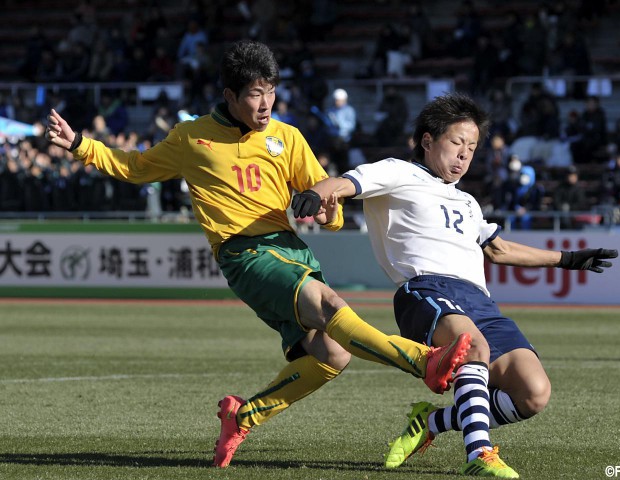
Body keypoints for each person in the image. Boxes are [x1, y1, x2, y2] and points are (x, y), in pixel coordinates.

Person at [45, 40, 472, 469]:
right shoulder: (191, 137)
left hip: (291, 252)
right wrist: (80, 144)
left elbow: (331, 209)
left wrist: (326, 212)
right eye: (254, 93)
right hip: (243, 255)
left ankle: (243, 415)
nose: (266, 102)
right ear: (230, 96)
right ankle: (422, 361)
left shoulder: (288, 137)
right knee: (329, 305)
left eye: (270, 91)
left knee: (332, 356)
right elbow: (135, 168)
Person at [293, 93, 618, 478]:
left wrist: (567, 259)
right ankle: (479, 454)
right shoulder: (398, 172)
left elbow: (497, 249)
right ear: (428, 141)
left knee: (533, 394)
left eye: (472, 147)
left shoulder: (467, 201)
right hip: (425, 291)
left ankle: (431, 423)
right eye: (456, 143)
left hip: (480, 301)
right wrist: (319, 192)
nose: (464, 155)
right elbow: (348, 183)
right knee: (472, 348)